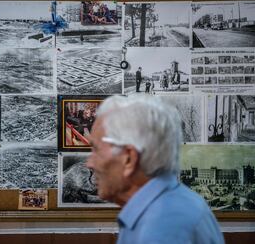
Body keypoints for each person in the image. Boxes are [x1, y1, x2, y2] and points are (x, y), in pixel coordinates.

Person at [86, 95, 224, 244]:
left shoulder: (161, 227)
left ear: (129, 159)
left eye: (96, 150)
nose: (89, 163)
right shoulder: (171, 204)